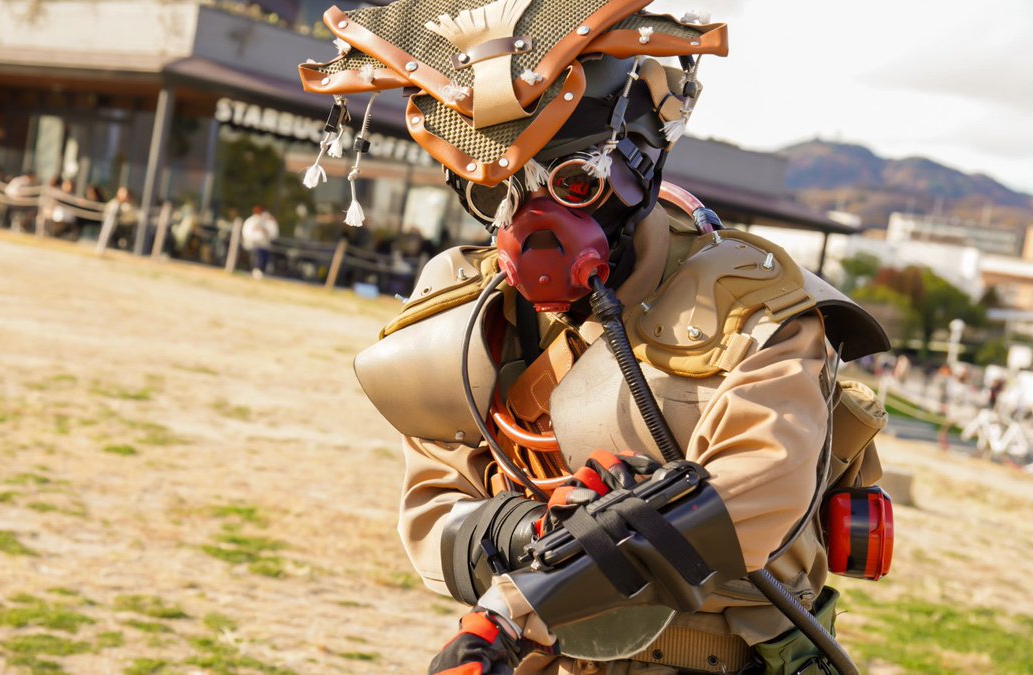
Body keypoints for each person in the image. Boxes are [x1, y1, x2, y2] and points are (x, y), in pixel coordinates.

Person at [299, 2, 893, 674]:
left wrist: (515, 608)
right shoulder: (466, 311)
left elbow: (751, 498)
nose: (529, 223)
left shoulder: (752, 305)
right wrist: (523, 531)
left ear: (641, 162)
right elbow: (431, 510)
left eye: (572, 183)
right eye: (496, 193)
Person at [240, 205, 278, 279]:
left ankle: (262, 270)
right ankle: (256, 269)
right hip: (252, 244)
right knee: (257, 252)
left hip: (264, 245)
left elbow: (273, 234)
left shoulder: (267, 221)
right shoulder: (251, 221)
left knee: (265, 253)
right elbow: (248, 235)